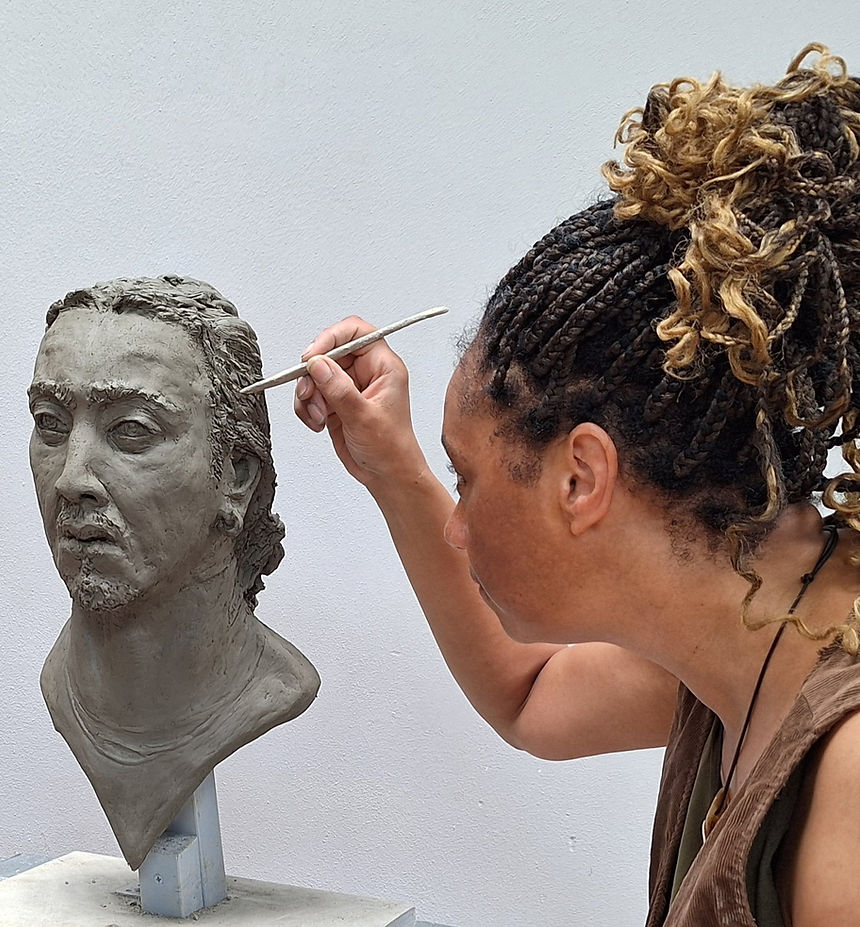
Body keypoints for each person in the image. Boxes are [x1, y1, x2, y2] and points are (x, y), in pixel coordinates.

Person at [294, 45, 860, 926]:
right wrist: (394, 467)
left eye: (466, 475)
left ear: (581, 477)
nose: (458, 524)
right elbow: (531, 692)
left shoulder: (848, 784)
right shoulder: (751, 629)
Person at [28, 275, 319, 869]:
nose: (71, 478)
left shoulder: (273, 686)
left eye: (132, 431)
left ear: (235, 476)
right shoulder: (60, 686)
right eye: (51, 424)